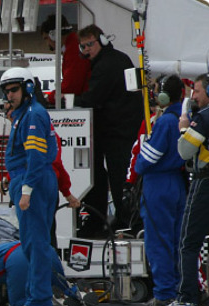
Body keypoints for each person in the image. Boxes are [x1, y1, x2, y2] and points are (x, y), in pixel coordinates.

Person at [0, 67, 59, 306]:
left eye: (14, 90)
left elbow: (35, 157)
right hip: (27, 179)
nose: (9, 95)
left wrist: (26, 190)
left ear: (28, 88)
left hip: (32, 181)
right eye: (6, 91)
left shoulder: (33, 115)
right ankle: (35, 295)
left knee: (35, 244)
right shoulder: (23, 115)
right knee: (32, 243)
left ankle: (40, 301)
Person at [74, 25, 143, 236]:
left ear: (102, 40)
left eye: (90, 44)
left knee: (119, 179)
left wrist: (69, 101)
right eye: (83, 46)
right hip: (124, 130)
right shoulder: (118, 58)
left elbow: (92, 98)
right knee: (120, 178)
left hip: (119, 133)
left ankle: (126, 222)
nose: (86, 50)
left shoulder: (106, 65)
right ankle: (125, 220)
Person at [126, 75, 187, 306]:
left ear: (162, 94)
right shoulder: (182, 119)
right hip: (177, 184)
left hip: (158, 184)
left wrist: (139, 165)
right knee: (177, 240)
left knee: (158, 241)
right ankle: (180, 289)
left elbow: (146, 159)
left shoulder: (163, 123)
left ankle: (164, 293)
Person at [161, 74, 209, 306]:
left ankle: (186, 297)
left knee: (188, 242)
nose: (194, 96)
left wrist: (183, 127)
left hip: (205, 182)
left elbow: (183, 150)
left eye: (198, 91)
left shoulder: (203, 118)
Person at [0, 241, 86, 306]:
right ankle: (80, 293)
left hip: (17, 259)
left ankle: (46, 302)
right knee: (63, 285)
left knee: (18, 303)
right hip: (42, 248)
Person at [40, 14, 91, 103]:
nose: (47, 43)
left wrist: (49, 98)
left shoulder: (74, 50)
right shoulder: (73, 46)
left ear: (53, 35)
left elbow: (71, 86)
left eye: (46, 38)